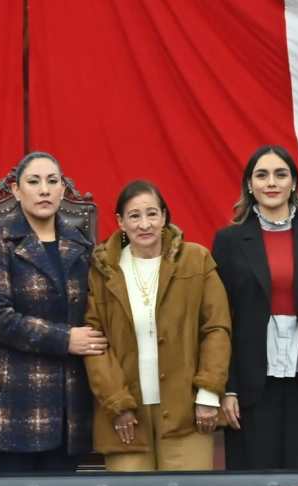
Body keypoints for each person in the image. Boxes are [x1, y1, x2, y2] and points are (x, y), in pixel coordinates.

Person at [85, 180, 231, 471]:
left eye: (152, 214)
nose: (144, 224)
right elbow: (94, 341)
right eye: (134, 216)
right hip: (126, 416)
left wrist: (208, 393)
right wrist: (117, 404)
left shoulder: (196, 259)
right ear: (120, 222)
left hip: (187, 411)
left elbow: (216, 329)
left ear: (164, 216)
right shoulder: (103, 270)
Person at [0, 152, 103, 472]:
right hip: (14, 402)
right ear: (16, 190)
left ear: (62, 191)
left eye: (52, 181)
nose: (44, 189)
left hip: (70, 405)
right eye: (34, 181)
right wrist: (65, 339)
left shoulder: (81, 244)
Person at [211, 145, 298, 470]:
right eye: (262, 175)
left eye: (281, 174)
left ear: (293, 183)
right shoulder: (229, 241)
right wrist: (228, 389)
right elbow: (219, 321)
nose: (271, 183)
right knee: (254, 481)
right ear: (249, 185)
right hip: (251, 383)